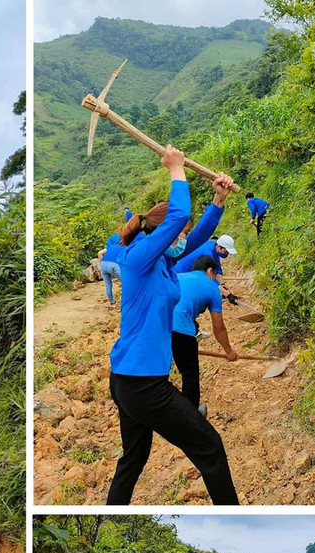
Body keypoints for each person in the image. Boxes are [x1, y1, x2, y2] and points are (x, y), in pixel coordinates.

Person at [106, 144, 239, 505]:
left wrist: (218, 199)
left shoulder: (162, 262)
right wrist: (175, 169)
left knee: (133, 459)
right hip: (143, 385)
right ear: (162, 233)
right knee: (210, 446)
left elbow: (194, 238)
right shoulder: (138, 258)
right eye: (175, 234)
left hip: (129, 381)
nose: (182, 238)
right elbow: (180, 215)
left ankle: (111, 512)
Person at [171, 254, 239, 415]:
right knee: (190, 374)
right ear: (210, 271)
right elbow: (219, 327)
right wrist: (229, 351)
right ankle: (191, 416)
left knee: (159, 373)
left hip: (156, 325)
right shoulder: (212, 288)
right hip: (180, 327)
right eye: (215, 275)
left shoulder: (179, 276)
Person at [98, 230, 123, 306]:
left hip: (103, 264)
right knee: (126, 282)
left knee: (108, 285)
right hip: (113, 265)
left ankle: (112, 303)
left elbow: (99, 253)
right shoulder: (123, 248)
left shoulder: (111, 247)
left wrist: (101, 262)